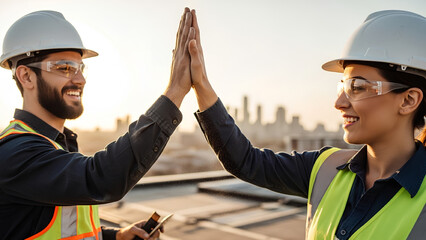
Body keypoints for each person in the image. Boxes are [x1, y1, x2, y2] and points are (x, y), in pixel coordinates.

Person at [187, 9, 426, 239]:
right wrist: (201, 84)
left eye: (357, 87)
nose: (339, 102)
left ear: (408, 100)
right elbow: (247, 162)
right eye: (343, 86)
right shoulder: (325, 168)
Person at [0, 8, 195, 240]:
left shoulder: (57, 145)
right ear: (26, 76)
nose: (80, 79)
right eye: (64, 68)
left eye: (81, 68)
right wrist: (174, 93)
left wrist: (117, 236)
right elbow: (99, 179)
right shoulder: (15, 152)